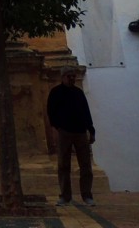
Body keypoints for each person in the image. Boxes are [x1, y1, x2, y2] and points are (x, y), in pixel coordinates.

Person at [46, 66, 95, 207]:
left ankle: (87, 195)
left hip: (80, 132)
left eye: (73, 76)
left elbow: (86, 112)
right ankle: (65, 196)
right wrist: (57, 127)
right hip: (64, 132)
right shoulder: (55, 92)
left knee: (85, 165)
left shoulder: (78, 93)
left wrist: (91, 130)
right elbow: (51, 111)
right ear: (63, 77)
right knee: (63, 164)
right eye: (69, 76)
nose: (72, 78)